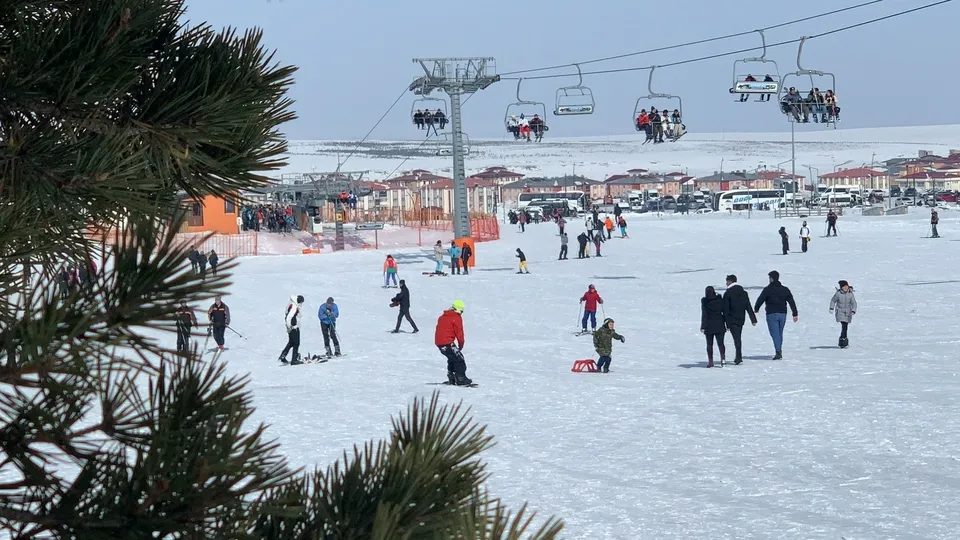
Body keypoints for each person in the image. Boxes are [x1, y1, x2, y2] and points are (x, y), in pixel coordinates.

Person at [753, 270, 799, 360]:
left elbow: (761, 299)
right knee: (779, 333)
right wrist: (795, 313)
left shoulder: (767, 289)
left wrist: (756, 308)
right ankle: (779, 349)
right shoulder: (785, 289)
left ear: (772, 279)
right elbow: (791, 301)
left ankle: (778, 352)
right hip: (783, 313)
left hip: (771, 313)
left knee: (774, 333)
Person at [721, 274, 757, 365]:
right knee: (738, 337)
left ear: (730, 281)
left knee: (736, 338)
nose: (726, 283)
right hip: (741, 318)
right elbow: (748, 306)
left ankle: (738, 357)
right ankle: (738, 356)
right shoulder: (743, 292)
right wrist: (753, 319)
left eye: (727, 281)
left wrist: (727, 323)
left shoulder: (727, 293)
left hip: (732, 319)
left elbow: (726, 309)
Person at [435, 300, 471, 385]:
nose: (461, 313)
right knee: (459, 359)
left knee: (452, 359)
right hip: (447, 342)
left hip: (440, 343)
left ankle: (452, 378)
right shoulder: (456, 317)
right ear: (458, 310)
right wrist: (461, 344)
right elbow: (459, 332)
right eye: (461, 311)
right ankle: (461, 379)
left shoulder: (442, 317)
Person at [700, 286, 726, 367]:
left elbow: (704, 315)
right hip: (719, 324)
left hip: (709, 325)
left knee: (709, 344)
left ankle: (710, 362)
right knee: (721, 343)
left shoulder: (705, 302)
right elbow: (724, 312)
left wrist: (703, 326)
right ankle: (723, 359)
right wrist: (726, 323)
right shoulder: (720, 300)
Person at [829, 280, 857, 349]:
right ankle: (843, 340)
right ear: (841, 288)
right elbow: (833, 300)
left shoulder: (850, 294)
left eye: (846, 286)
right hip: (840, 312)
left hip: (848, 312)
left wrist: (853, 310)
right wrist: (831, 308)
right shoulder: (838, 294)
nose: (845, 288)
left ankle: (844, 341)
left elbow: (854, 303)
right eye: (844, 287)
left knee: (845, 326)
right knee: (844, 325)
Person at [279, 294, 304, 364]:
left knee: (291, 342)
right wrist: (290, 326)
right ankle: (294, 359)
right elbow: (289, 317)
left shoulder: (291, 303)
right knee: (296, 343)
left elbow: (287, 313)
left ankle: (283, 356)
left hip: (291, 327)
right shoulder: (294, 306)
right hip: (294, 327)